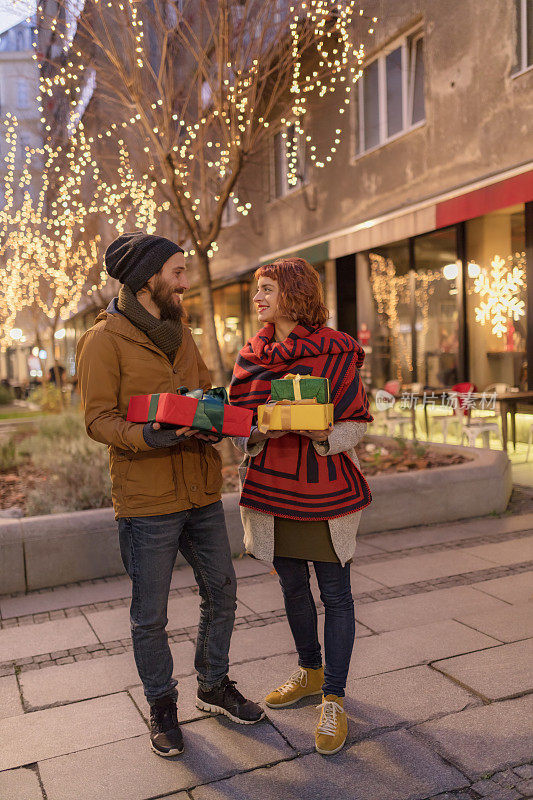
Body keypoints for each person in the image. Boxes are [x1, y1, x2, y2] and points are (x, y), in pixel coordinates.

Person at [76, 231, 263, 759]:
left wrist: (212, 419)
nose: (185, 282)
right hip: (146, 500)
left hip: (199, 486)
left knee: (222, 589)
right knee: (149, 616)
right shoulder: (102, 340)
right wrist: (145, 437)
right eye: (177, 273)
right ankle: (161, 707)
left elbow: (199, 390)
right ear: (146, 279)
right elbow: (96, 420)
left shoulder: (181, 330)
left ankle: (213, 683)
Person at [229, 257, 373, 755]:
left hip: (325, 490)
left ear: (293, 292)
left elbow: (357, 419)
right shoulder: (251, 355)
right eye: (256, 290)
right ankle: (309, 671)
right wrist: (255, 431)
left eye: (267, 288)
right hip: (272, 492)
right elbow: (237, 426)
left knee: (335, 593)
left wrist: (325, 434)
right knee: (292, 587)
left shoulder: (336, 351)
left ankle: (334, 696)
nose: (259, 298)